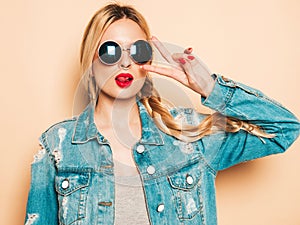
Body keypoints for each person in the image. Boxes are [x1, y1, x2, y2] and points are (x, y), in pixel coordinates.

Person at [24, 3, 299, 225]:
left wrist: (210, 87)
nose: (125, 62)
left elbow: (284, 129)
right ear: (91, 63)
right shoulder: (57, 145)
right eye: (110, 51)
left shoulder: (188, 135)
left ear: (149, 62)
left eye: (138, 51)